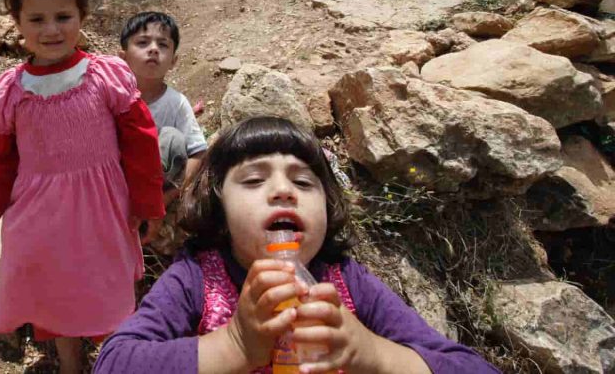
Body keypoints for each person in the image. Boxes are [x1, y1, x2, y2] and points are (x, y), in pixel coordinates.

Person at [94, 117, 501, 374]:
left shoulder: (346, 284)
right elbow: (114, 363)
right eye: (254, 181)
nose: (283, 191)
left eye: (304, 182)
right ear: (218, 209)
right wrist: (236, 345)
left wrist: (372, 354)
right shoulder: (196, 279)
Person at [0, 0, 166, 374]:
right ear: (16, 21)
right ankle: (70, 363)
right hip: (39, 217)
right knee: (55, 292)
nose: (51, 30)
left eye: (63, 16)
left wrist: (148, 203)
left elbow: (141, 144)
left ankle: (116, 359)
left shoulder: (107, 77)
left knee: (106, 287)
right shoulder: (11, 92)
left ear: (83, 15)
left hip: (101, 211)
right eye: (36, 19)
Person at [119, 11, 207, 197]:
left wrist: (170, 195)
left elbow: (198, 153)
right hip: (116, 180)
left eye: (163, 44)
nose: (153, 49)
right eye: (143, 43)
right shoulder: (112, 97)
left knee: (172, 137)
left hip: (158, 186)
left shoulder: (176, 103)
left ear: (173, 61)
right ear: (123, 57)